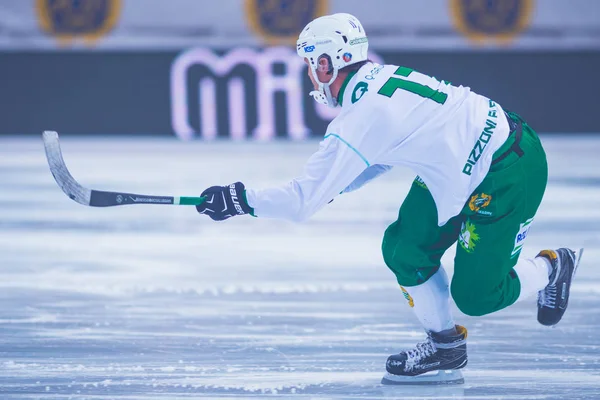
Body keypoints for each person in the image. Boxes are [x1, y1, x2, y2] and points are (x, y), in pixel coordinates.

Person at [195, 13, 583, 385]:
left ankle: (552, 267)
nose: (311, 74)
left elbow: (300, 203)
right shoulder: (378, 80)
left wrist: (239, 199)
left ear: (328, 63)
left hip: (508, 171)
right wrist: (337, 185)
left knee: (477, 297)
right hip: (464, 163)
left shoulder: (360, 116)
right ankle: (445, 347)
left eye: (312, 64)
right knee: (404, 248)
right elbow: (383, 155)